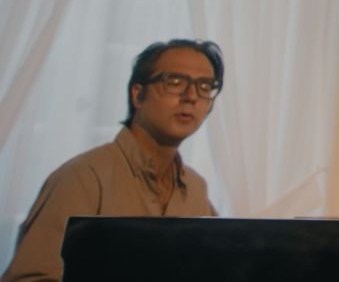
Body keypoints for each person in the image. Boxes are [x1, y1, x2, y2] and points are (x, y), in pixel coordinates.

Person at [3, 39, 223, 282]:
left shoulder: (195, 189)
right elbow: (30, 278)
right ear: (138, 94)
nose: (191, 96)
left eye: (205, 86)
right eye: (175, 82)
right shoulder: (82, 178)